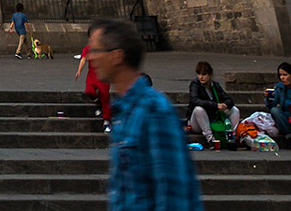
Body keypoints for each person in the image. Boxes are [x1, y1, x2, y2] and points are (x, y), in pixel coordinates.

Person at [84, 18, 203, 211]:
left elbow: (173, 197)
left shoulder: (154, 111)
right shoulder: (124, 111)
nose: (90, 57)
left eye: (96, 50)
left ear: (117, 56)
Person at [186, 62, 239, 149]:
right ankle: (211, 140)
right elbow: (195, 100)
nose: (201, 77)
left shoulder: (215, 86)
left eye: (204, 74)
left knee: (234, 110)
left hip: (214, 118)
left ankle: (231, 138)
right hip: (198, 121)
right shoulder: (195, 85)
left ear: (210, 75)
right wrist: (215, 105)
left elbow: (229, 99)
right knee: (199, 109)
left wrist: (225, 105)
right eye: (199, 74)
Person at [76, 40, 112, 129]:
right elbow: (83, 59)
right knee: (89, 91)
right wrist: (79, 71)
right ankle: (97, 102)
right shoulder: (88, 49)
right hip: (92, 75)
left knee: (105, 97)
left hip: (104, 76)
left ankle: (106, 121)